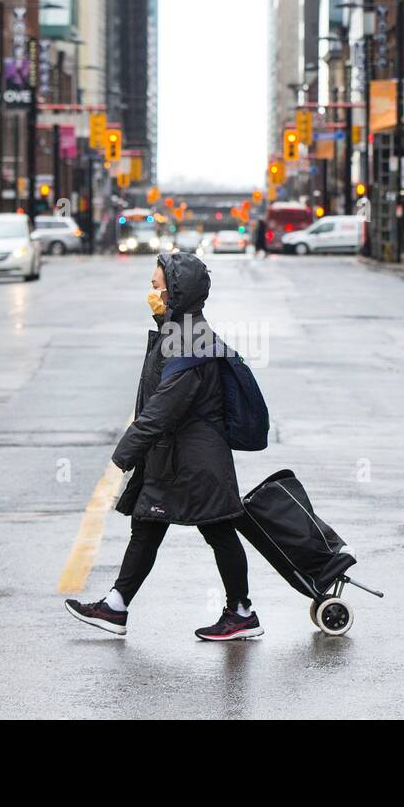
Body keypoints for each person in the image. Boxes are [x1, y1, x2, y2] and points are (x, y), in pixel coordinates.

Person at [65, 253, 261, 642]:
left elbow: (163, 409)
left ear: (176, 293)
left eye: (156, 287)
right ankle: (116, 606)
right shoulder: (181, 332)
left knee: (219, 530)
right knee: (148, 525)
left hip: (196, 461)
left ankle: (241, 612)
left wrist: (124, 454)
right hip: (178, 456)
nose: (151, 293)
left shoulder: (191, 343)